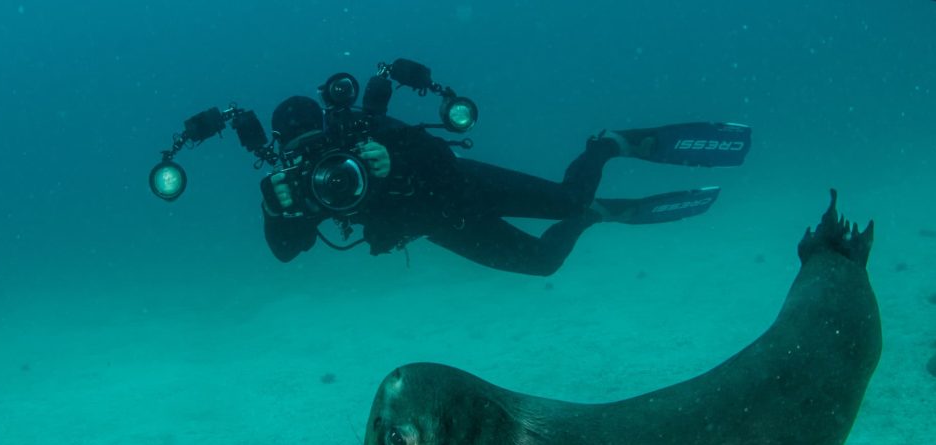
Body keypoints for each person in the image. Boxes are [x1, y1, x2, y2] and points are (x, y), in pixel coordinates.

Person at [261, 95, 750, 276]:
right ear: (283, 151)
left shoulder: (364, 132)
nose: (317, 160)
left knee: (569, 198)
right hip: (442, 227)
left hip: (466, 186)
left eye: (316, 143)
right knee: (543, 263)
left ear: (327, 127)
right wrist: (274, 211)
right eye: (300, 151)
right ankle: (595, 215)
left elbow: (441, 155)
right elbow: (287, 251)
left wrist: (394, 160)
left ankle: (606, 146)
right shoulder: (294, 186)